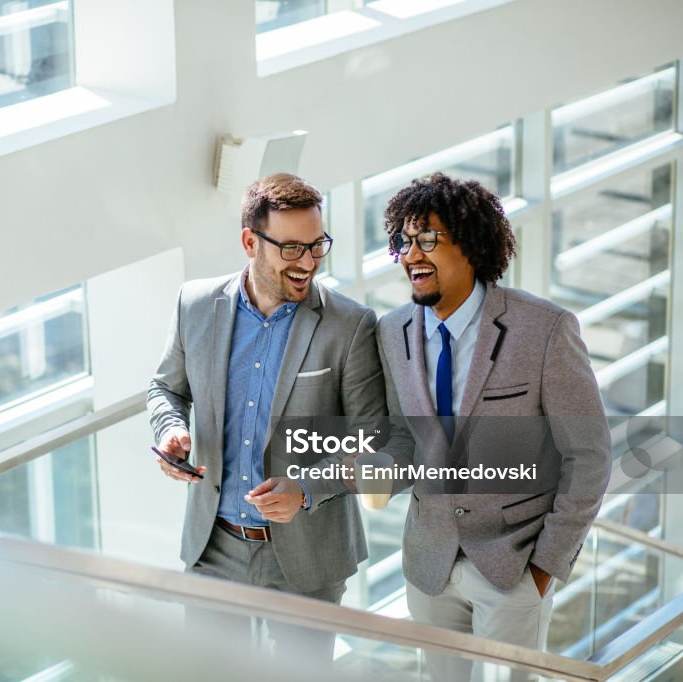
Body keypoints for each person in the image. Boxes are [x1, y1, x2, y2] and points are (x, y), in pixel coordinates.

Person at [376, 173, 611, 681]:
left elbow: (588, 456)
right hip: (429, 563)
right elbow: (404, 439)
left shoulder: (544, 330)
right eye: (403, 241)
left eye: (428, 239)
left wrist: (545, 567)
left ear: (472, 243)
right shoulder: (391, 331)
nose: (412, 254)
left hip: (515, 565)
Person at [147, 172, 385, 662]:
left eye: (317, 246)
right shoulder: (195, 304)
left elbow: (373, 441)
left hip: (308, 555)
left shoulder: (351, 325)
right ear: (250, 241)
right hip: (213, 546)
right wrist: (171, 431)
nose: (308, 262)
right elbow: (166, 387)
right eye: (292, 248)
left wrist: (307, 490)